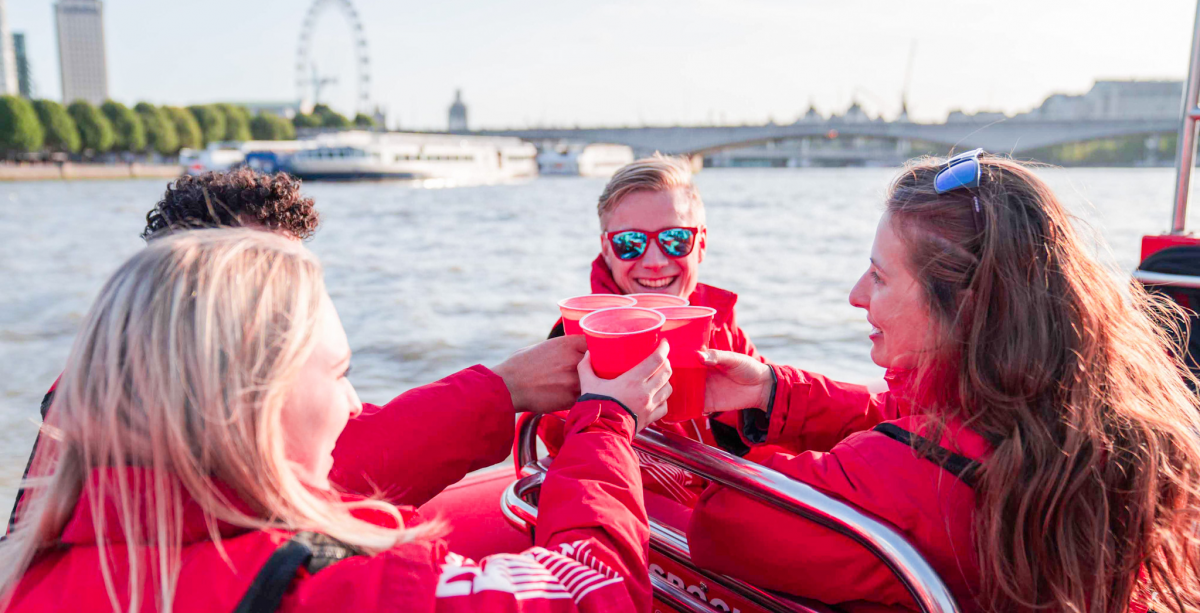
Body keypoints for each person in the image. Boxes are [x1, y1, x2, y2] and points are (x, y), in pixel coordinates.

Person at [0, 229, 670, 612]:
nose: (354, 405)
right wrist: (607, 420)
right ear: (254, 402)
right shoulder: (340, 585)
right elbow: (594, 590)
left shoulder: (33, 574)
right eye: (342, 371)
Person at [689, 152, 1200, 613]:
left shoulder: (918, 474)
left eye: (880, 277)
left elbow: (717, 524)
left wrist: (612, 418)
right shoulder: (1095, 419)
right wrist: (777, 395)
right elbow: (923, 420)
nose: (856, 294)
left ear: (965, 306)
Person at [9, 169, 588, 563]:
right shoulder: (161, 426)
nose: (295, 302)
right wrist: (506, 390)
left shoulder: (101, 381)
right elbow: (333, 473)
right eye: (264, 283)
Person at [540, 155, 777, 516]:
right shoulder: (572, 344)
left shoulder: (724, 331)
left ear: (701, 244)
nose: (653, 260)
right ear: (607, 249)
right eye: (630, 242)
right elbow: (569, 464)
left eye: (675, 238)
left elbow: (761, 446)